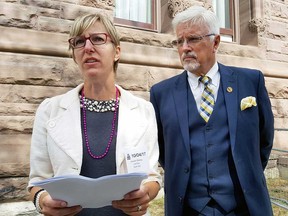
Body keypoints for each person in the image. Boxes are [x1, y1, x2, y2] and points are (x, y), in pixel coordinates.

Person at [28, 13, 161, 216]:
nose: (88, 48)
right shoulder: (49, 111)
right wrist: (42, 200)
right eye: (79, 42)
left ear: (117, 51)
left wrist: (146, 194)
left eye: (98, 39)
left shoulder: (143, 111)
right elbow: (37, 181)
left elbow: (152, 177)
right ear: (74, 54)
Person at [150, 5, 274, 216]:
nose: (185, 47)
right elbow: (162, 151)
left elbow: (265, 139)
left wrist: (247, 174)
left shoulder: (250, 82)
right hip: (188, 208)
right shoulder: (161, 93)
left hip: (244, 207)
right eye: (179, 41)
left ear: (215, 42)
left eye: (193, 39)